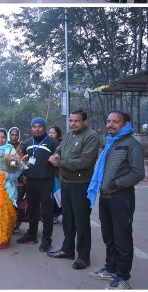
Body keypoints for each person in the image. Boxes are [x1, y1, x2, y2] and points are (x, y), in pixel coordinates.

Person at [84, 111, 145, 289]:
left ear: (125, 123)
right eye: (108, 121)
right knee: (108, 236)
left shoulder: (131, 145)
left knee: (122, 238)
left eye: (115, 122)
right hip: (106, 198)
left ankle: (123, 277)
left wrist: (114, 184)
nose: (110, 125)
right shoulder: (110, 144)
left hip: (121, 198)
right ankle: (110, 268)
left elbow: (137, 173)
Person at [47, 110, 100, 270]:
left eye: (77, 121)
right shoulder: (70, 135)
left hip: (81, 184)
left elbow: (85, 161)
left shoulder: (91, 136)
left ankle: (84, 256)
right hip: (66, 183)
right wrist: (56, 155)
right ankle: (67, 249)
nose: (73, 123)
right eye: (71, 120)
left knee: (81, 221)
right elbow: (59, 149)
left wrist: (59, 163)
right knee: (68, 219)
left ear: (85, 121)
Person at [16, 117, 59, 252]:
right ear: (31, 128)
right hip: (30, 181)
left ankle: (47, 240)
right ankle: (32, 235)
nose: (37, 129)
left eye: (40, 126)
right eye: (34, 126)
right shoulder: (27, 143)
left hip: (46, 182)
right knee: (32, 210)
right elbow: (21, 160)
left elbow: (58, 160)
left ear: (44, 128)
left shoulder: (53, 143)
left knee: (47, 212)